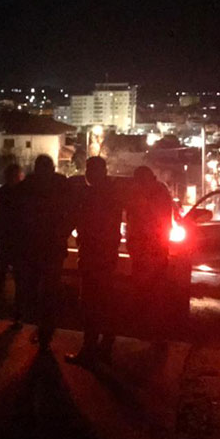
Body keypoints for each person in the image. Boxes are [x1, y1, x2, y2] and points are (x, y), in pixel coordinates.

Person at [65, 156, 124, 366]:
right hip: (106, 255)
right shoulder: (112, 193)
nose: (87, 175)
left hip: (93, 255)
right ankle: (105, 346)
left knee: (90, 302)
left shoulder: (92, 196)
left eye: (90, 170)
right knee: (105, 300)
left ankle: (89, 349)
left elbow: (81, 221)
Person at [16, 155, 70, 352]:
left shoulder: (28, 185)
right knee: (48, 290)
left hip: (35, 247)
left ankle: (43, 328)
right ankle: (46, 330)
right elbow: (71, 212)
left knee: (37, 289)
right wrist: (63, 232)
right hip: (50, 247)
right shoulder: (60, 184)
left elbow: (18, 214)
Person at [126, 166, 173, 326]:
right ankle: (146, 321)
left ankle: (150, 323)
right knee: (145, 286)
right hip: (145, 248)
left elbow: (154, 221)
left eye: (140, 181)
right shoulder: (150, 192)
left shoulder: (156, 194)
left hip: (152, 248)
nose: (138, 184)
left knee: (151, 287)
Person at [0, 163, 25, 327]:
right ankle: (15, 314)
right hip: (12, 242)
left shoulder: (3, 193)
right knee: (14, 279)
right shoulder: (21, 194)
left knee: (4, 277)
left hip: (10, 241)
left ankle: (1, 311)